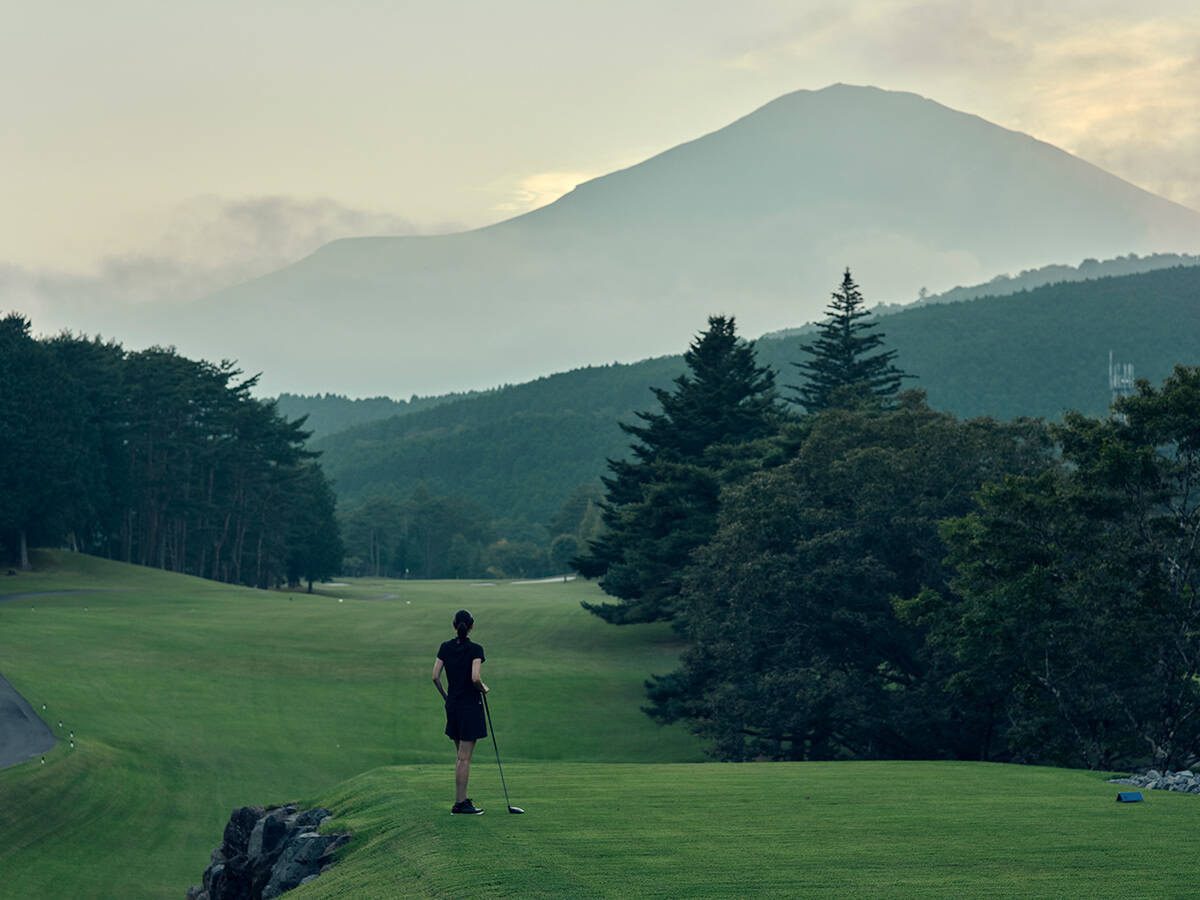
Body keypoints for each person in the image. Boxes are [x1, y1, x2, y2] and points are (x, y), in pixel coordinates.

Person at [432, 609, 489, 815]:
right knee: (464, 758)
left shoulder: (445, 647)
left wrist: (447, 697)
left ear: (454, 626)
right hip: (469, 706)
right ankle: (460, 803)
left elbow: (435, 677)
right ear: (472, 626)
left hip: (453, 706)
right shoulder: (476, 649)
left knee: (460, 756)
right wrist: (484, 688)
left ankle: (461, 800)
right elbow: (475, 678)